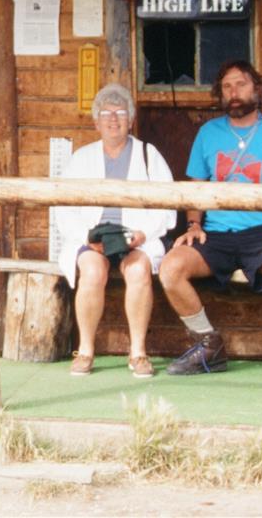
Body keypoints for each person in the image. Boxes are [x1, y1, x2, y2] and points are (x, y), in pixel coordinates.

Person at [158, 60, 262, 391]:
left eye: (241, 84)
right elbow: (196, 187)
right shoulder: (208, 133)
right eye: (227, 86)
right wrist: (193, 224)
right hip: (216, 234)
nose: (234, 92)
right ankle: (209, 345)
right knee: (171, 267)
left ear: (257, 89)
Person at [49, 82, 176, 379]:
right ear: (96, 122)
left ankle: (138, 352)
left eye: (120, 112)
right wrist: (87, 238)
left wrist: (143, 234)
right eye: (106, 113)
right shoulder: (82, 158)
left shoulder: (148, 154)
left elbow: (167, 204)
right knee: (92, 271)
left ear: (131, 119)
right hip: (94, 237)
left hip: (136, 237)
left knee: (138, 270)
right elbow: (63, 206)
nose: (113, 119)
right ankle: (86, 350)